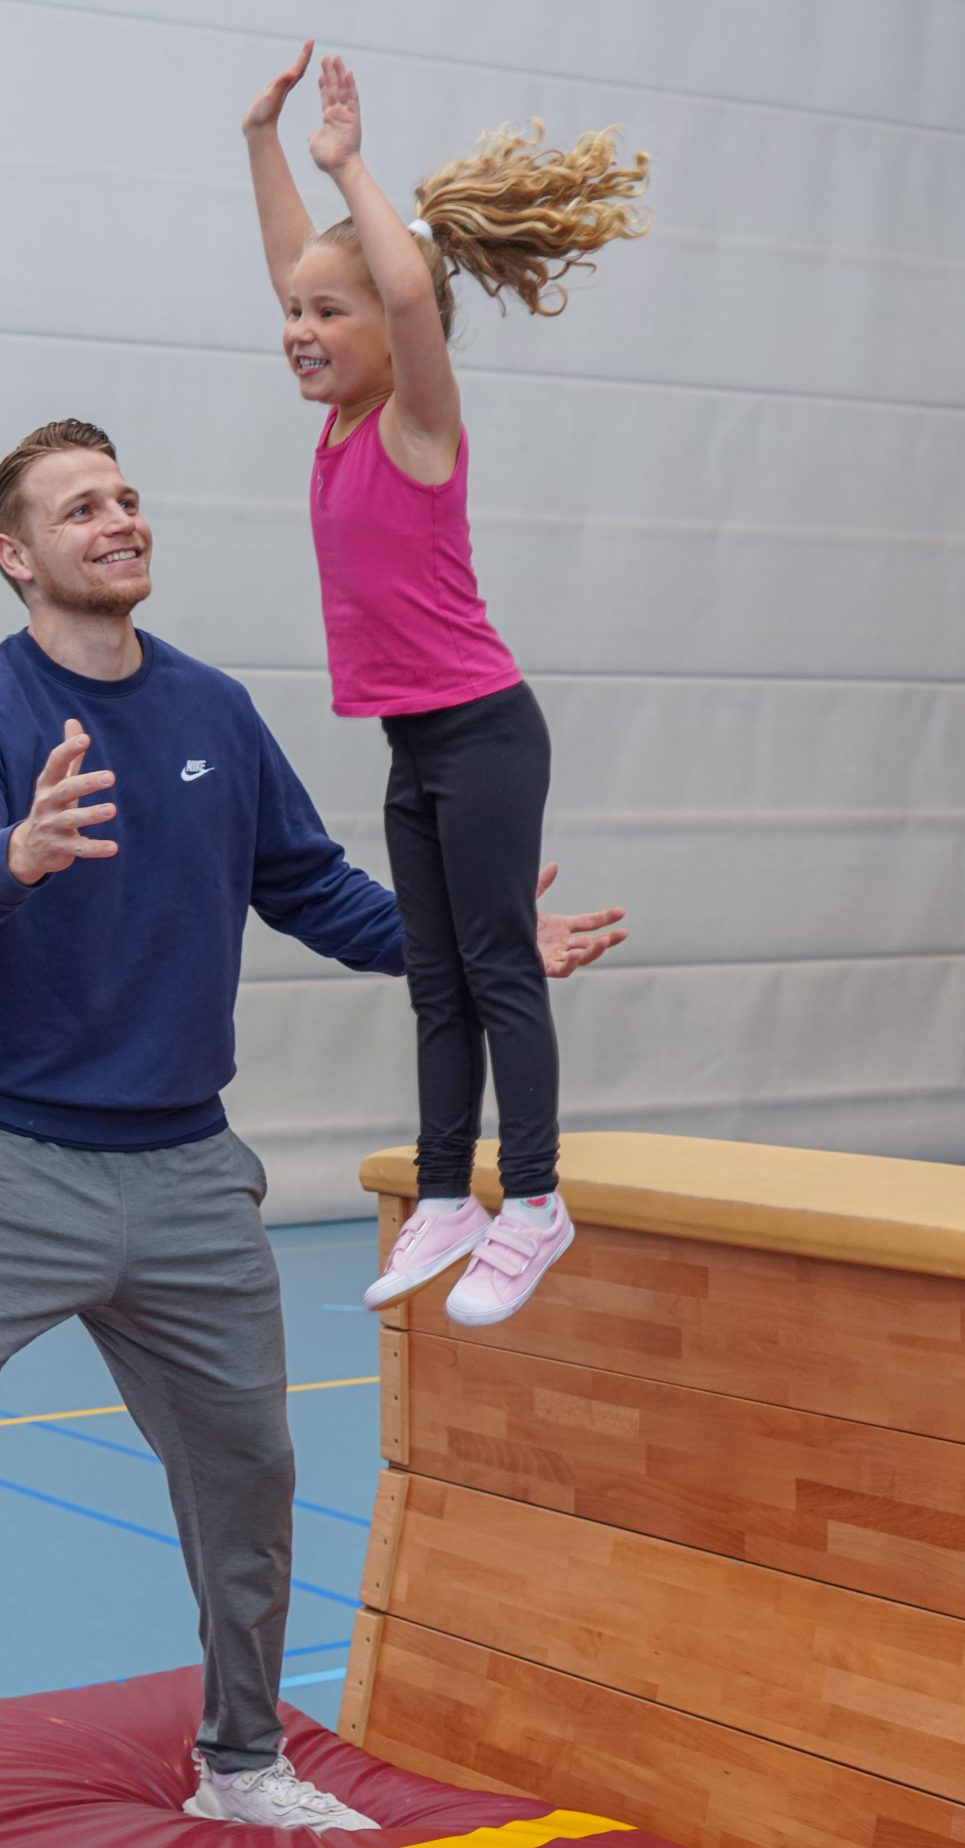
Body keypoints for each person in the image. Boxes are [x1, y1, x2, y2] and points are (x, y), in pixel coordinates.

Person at [0, 419, 625, 1848]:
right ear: (17, 554)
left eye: (127, 498)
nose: (119, 520)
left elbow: (311, 887)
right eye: (81, 508)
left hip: (187, 1170)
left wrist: (480, 945)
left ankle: (240, 1760)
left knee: (250, 1468)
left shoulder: (212, 709)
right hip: (0, 1164)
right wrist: (17, 852)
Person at [241, 46, 645, 1324]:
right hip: (414, 744)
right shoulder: (336, 415)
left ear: (391, 332)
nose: (299, 330)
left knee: (493, 965)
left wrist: (346, 165)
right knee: (435, 978)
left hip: (482, 732)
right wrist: (258, 139)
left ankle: (532, 1198)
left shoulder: (414, 422)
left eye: (326, 315)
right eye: (291, 315)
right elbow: (308, 266)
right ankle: (443, 1195)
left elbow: (402, 290)